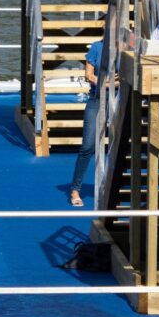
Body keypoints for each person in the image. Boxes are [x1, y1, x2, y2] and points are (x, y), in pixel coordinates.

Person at [70, 40, 104, 207]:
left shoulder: (128, 45)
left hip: (121, 100)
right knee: (88, 146)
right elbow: (89, 75)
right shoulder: (97, 47)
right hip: (96, 99)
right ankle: (75, 189)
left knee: (122, 146)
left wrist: (105, 81)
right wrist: (109, 82)